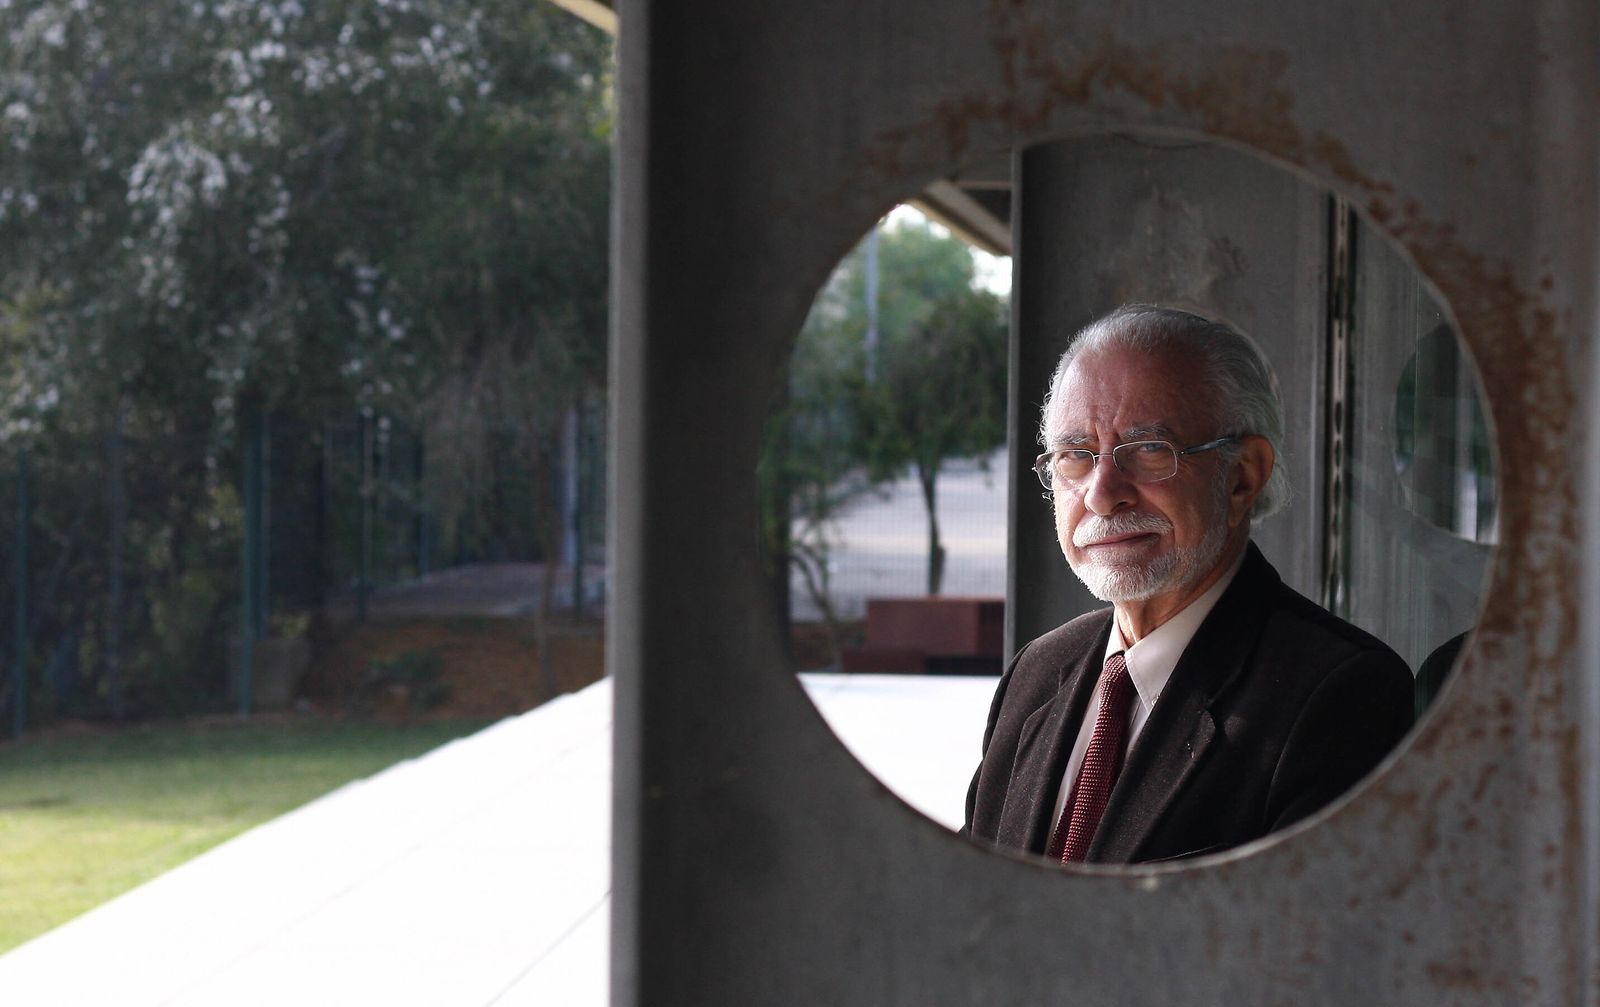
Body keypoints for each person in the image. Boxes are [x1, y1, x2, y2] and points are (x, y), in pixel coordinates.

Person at [963, 305, 1414, 864]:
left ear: (1243, 477)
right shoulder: (1035, 673)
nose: (1103, 495)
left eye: (1150, 451)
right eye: (1076, 456)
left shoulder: (1341, 696)